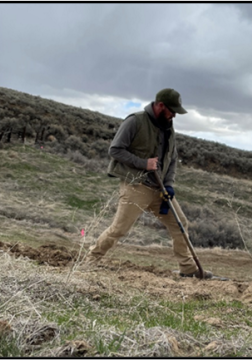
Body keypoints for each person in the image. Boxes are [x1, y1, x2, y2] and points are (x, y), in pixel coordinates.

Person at [82, 88, 213, 279]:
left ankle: (187, 268)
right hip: (137, 186)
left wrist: (168, 185)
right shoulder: (135, 121)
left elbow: (172, 158)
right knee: (119, 229)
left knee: (180, 223)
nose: (174, 115)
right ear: (160, 105)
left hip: (159, 190)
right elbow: (115, 150)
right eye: (172, 110)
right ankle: (90, 261)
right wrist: (143, 163)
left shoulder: (168, 127)